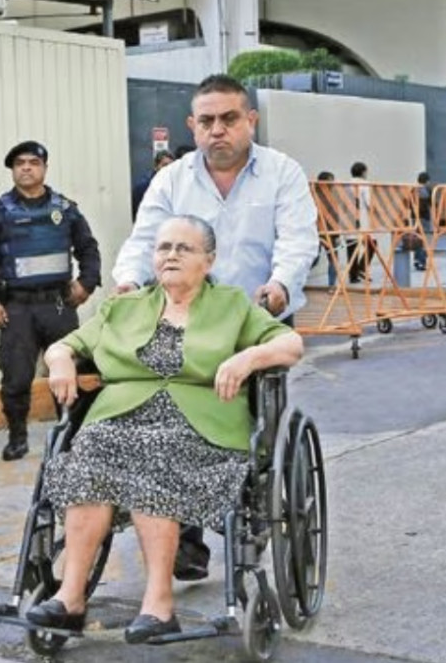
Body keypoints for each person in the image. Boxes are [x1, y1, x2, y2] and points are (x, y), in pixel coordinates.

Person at [28, 215, 304, 643]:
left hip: (201, 426)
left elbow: (290, 344)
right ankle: (70, 597)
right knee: (89, 453)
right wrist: (60, 360)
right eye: (163, 248)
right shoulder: (125, 306)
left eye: (184, 248)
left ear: (208, 261)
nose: (170, 255)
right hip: (119, 418)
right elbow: (70, 343)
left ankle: (159, 604)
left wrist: (246, 359)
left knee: (157, 453)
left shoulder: (232, 305)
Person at [113, 73, 318, 583]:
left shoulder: (281, 173)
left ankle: (248, 508)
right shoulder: (173, 179)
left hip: (256, 315)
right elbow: (145, 241)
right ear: (193, 125)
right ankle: (182, 536)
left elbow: (297, 240)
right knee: (170, 414)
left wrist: (278, 288)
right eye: (207, 121)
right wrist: (126, 284)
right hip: (182, 318)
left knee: (244, 426)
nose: (218, 130)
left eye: (229, 119)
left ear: (250, 120)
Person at [0, 140, 101, 461]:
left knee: (67, 371)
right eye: (19, 164)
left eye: (32, 163)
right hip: (17, 308)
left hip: (58, 305)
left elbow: (88, 248)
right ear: (13, 171)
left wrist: (86, 284)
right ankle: (17, 438)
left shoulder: (65, 209)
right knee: (15, 377)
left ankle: (68, 436)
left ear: (44, 168)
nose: (26, 168)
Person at [131, 149, 175, 221]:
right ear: (156, 167)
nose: (168, 169)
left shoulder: (175, 186)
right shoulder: (143, 187)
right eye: (165, 165)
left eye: (171, 165)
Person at [347, 161, 372, 283]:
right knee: (371, 245)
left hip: (348, 220)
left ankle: (353, 276)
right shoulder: (364, 184)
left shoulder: (345, 184)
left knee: (351, 248)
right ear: (363, 172)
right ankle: (362, 268)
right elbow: (369, 203)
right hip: (362, 220)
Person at [414, 172, 433, 271]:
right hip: (423, 218)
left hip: (414, 218)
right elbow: (430, 204)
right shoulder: (425, 190)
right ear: (426, 180)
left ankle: (417, 260)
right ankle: (422, 261)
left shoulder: (413, 189)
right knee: (423, 239)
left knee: (418, 238)